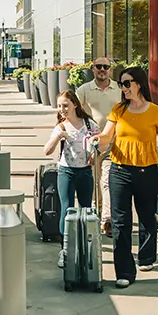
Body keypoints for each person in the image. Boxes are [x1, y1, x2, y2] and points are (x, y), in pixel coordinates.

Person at [89, 67, 158, 289]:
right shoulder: (118, 110)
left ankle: (146, 256)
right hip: (120, 170)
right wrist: (97, 141)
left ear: (139, 84)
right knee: (120, 222)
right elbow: (106, 136)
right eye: (121, 84)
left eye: (126, 83)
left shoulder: (156, 112)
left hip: (147, 171)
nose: (123, 89)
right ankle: (124, 271)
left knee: (146, 218)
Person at [43, 90, 100, 268]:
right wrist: (58, 137)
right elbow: (47, 150)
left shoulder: (89, 124)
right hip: (66, 171)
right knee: (67, 209)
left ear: (75, 104)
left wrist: (95, 152)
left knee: (86, 210)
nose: (62, 109)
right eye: (59, 106)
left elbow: (101, 142)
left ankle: (87, 247)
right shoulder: (61, 127)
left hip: (84, 172)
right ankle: (65, 249)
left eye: (65, 105)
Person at [76, 57, 121, 237]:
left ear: (110, 69)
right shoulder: (83, 90)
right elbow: (72, 110)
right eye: (99, 67)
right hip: (92, 144)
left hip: (114, 143)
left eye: (106, 67)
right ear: (93, 69)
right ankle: (99, 210)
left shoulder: (119, 89)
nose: (102, 69)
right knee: (95, 182)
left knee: (107, 181)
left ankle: (107, 219)